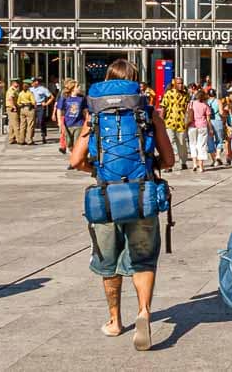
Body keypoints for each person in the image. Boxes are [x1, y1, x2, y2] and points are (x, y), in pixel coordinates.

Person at [69, 59, 174, 351]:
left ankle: (115, 321)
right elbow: (169, 161)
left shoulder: (95, 116)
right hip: (142, 195)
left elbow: (75, 160)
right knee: (143, 259)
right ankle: (144, 312)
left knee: (108, 263)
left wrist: (97, 171)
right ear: (136, 83)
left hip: (105, 198)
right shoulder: (149, 114)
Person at [159, 82, 190, 173]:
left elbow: (187, 109)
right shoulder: (168, 94)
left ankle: (183, 161)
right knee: (170, 143)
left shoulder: (185, 95)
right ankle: (168, 165)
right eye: (178, 83)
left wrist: (188, 121)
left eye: (182, 83)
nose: (181, 85)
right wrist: (161, 120)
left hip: (181, 123)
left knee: (182, 143)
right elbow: (163, 108)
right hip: (170, 122)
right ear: (175, 85)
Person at [57, 79, 87, 162]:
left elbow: (85, 110)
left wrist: (87, 121)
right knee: (69, 144)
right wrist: (59, 121)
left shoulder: (82, 98)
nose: (80, 88)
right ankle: (74, 157)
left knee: (77, 143)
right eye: (78, 86)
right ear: (73, 88)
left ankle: (74, 161)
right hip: (68, 124)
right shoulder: (65, 98)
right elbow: (59, 109)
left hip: (79, 124)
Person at [187, 90, 212, 174]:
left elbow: (188, 113)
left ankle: (194, 164)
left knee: (192, 144)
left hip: (192, 125)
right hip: (202, 126)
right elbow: (208, 119)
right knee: (202, 145)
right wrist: (210, 129)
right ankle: (201, 166)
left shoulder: (191, 103)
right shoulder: (206, 105)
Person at [30, 78, 53, 145]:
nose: (32, 83)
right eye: (31, 82)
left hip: (40, 106)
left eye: (33, 82)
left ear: (36, 82)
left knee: (41, 121)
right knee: (32, 122)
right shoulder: (30, 89)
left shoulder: (43, 89)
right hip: (32, 106)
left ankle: (43, 135)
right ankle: (30, 137)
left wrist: (46, 103)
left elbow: (51, 97)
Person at [16, 80, 38, 144]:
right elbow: (34, 102)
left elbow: (18, 103)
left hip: (22, 109)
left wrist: (21, 105)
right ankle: (29, 140)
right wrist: (35, 107)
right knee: (30, 125)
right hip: (29, 109)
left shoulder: (20, 93)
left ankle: (21, 140)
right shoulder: (30, 93)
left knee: (22, 125)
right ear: (28, 86)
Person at [5, 80, 22, 144]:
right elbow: (10, 98)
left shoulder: (15, 90)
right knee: (16, 124)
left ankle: (11, 138)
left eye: (18, 82)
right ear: (13, 83)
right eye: (16, 82)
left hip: (11, 107)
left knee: (11, 124)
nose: (18, 84)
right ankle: (19, 139)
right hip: (12, 108)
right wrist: (13, 106)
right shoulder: (12, 90)